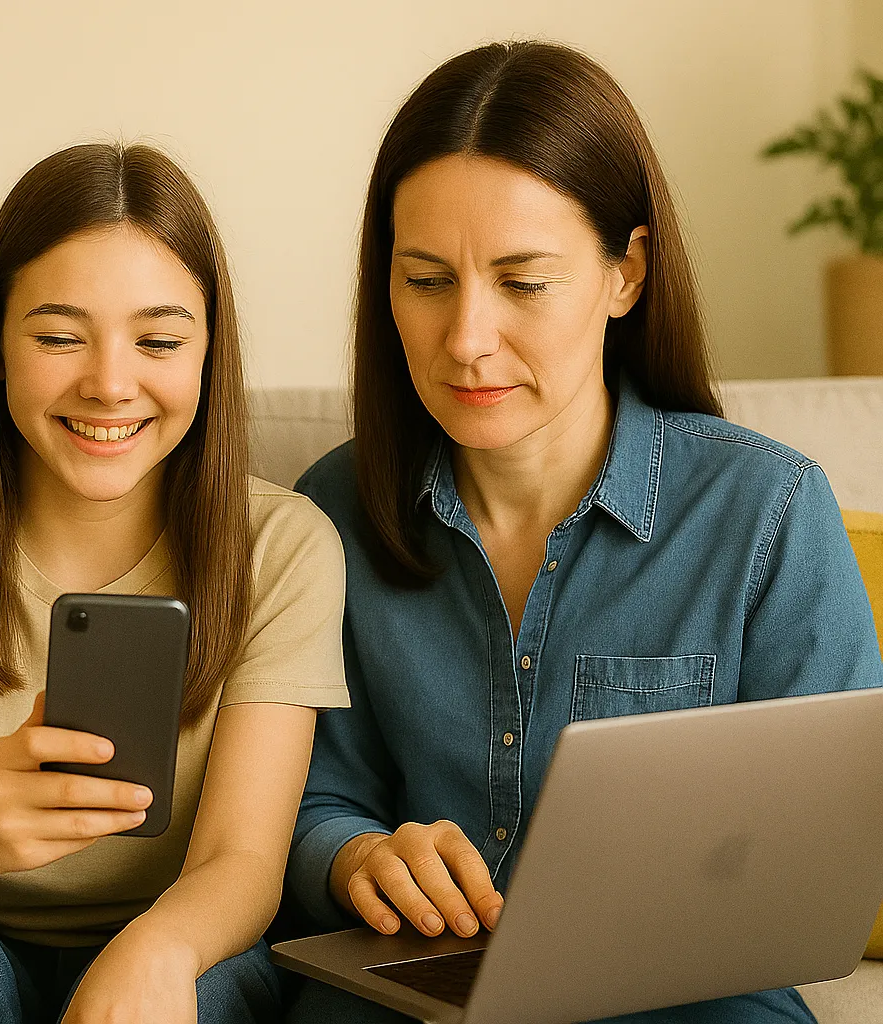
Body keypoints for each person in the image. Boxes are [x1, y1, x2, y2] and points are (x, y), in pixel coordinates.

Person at [284, 40, 883, 1024]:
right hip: (412, 989)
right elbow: (303, 803)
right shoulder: (332, 512)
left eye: (523, 282)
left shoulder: (766, 511)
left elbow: (828, 861)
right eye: (426, 281)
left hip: (688, 997)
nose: (467, 337)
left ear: (626, 273)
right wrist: (358, 855)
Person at [0, 142, 349, 1024]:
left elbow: (240, 866)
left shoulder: (281, 546)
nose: (110, 384)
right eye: (58, 337)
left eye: (160, 340)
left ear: (209, 353)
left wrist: (151, 955)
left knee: (194, 981)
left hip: (177, 937)